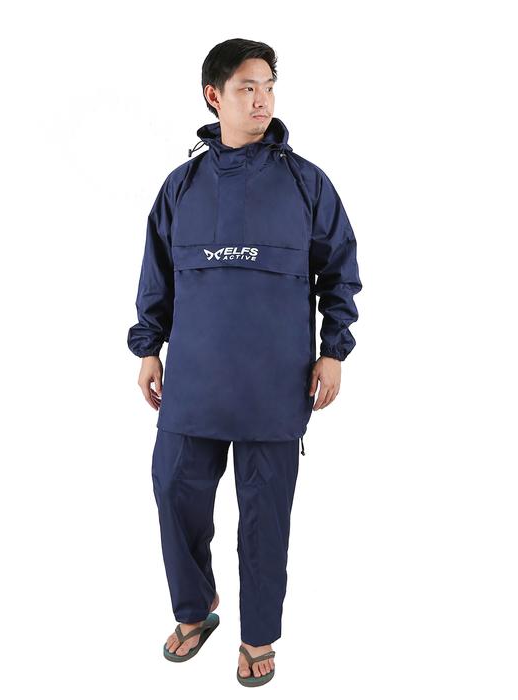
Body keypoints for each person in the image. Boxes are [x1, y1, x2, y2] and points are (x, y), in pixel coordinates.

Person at [127, 38, 363, 687]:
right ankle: (195, 607)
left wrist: (333, 350)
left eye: (268, 86)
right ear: (214, 95)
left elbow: (340, 271)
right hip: (194, 380)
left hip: (275, 382)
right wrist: (148, 347)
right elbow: (157, 276)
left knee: (264, 515)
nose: (261, 100)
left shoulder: (306, 183)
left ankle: (257, 634)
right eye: (246, 88)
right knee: (173, 487)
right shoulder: (182, 187)